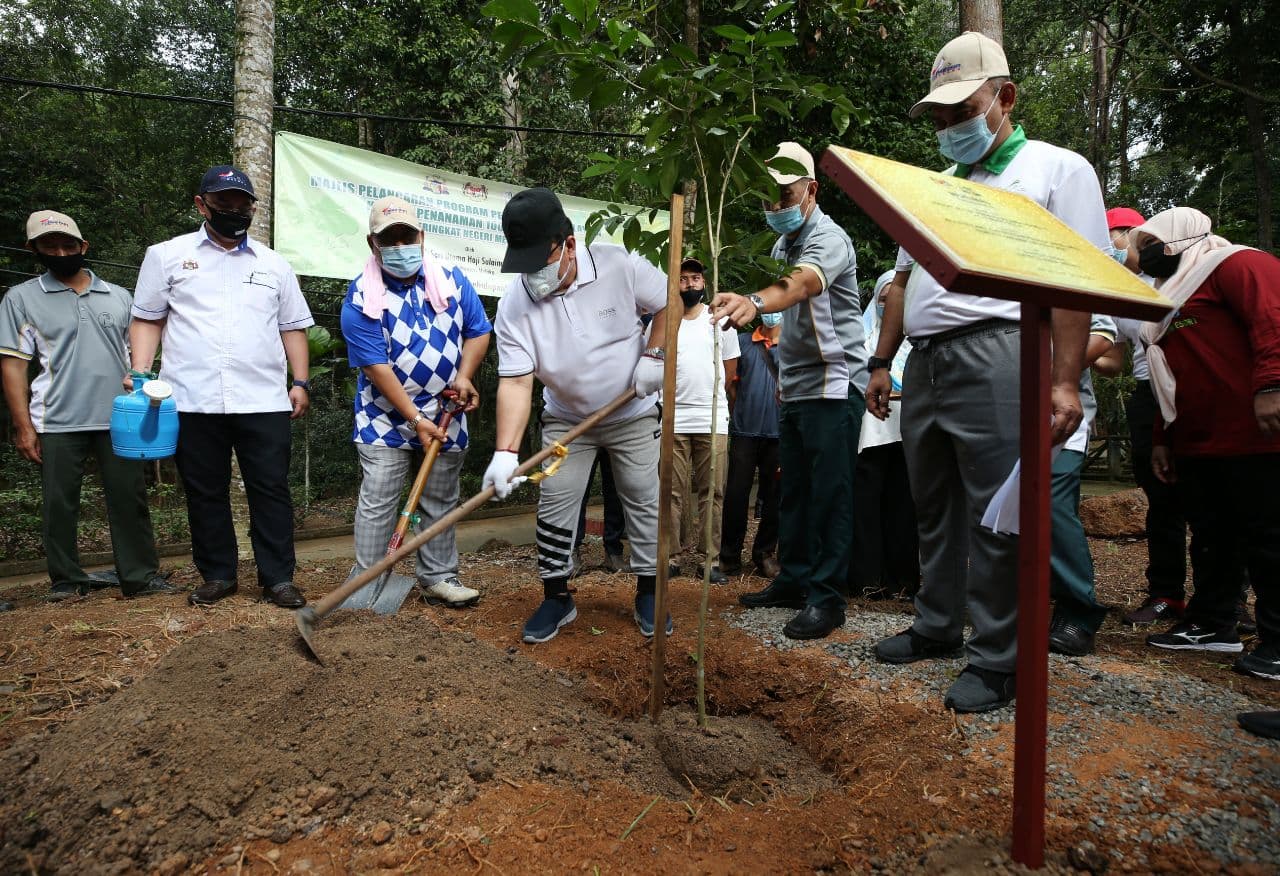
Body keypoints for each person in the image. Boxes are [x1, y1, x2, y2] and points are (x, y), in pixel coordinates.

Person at [865, 32, 1099, 712]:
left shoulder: (1057, 170)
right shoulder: (932, 188)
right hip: (926, 360)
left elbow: (1079, 283)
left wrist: (1062, 380)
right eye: (938, 119)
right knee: (932, 503)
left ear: (1005, 97)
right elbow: (901, 283)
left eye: (960, 112)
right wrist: (883, 361)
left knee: (1001, 514)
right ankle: (937, 623)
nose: (948, 128)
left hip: (1003, 350)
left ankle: (999, 657)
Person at [481, 187, 670, 642]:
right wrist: (505, 452)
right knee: (556, 501)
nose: (533, 275)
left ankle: (650, 590)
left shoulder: (618, 263)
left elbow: (669, 304)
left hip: (633, 407)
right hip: (567, 418)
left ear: (569, 244)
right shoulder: (513, 306)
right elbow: (517, 382)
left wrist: (655, 355)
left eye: (539, 261)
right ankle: (556, 597)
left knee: (644, 496)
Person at [128, 165, 313, 608]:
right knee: (204, 490)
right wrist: (140, 372)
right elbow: (147, 318)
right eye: (223, 203)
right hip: (190, 398)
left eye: (241, 204)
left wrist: (300, 381)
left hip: (264, 398)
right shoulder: (165, 256)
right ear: (201, 205)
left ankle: (277, 579)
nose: (233, 211)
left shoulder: (274, 264)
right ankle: (218, 575)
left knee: (270, 488)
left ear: (252, 207)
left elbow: (293, 327)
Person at [712, 141, 867, 641]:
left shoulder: (830, 239)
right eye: (766, 198)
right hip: (796, 388)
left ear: (811, 190)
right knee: (790, 494)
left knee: (831, 495)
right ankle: (793, 579)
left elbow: (800, 287)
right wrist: (781, 380)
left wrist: (753, 300)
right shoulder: (784, 244)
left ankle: (828, 599)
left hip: (835, 385)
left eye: (783, 195)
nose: (774, 207)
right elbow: (789, 322)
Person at [1126, 207, 1279, 683]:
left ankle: (1277, 644)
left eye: (1150, 243)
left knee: (1271, 540)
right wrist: (1162, 439)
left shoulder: (1238, 264)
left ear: (1183, 237)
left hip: (1256, 434)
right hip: (1198, 439)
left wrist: (1273, 386)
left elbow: (1272, 319)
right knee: (1213, 538)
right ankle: (1213, 625)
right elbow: (1166, 379)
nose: (1145, 254)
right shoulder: (1169, 297)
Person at [0, 211, 173, 601]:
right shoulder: (20, 299)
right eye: (49, 246)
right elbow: (13, 364)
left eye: (68, 244)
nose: (60, 252)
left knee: (130, 499)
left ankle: (139, 578)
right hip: (56, 419)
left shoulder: (119, 296)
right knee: (59, 503)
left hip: (121, 418)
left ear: (84, 247)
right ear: (35, 250)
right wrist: (22, 424)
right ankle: (66, 580)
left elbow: (140, 355)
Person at [1096, 208, 1254, 631]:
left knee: (1223, 497)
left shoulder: (1197, 272)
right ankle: (1167, 593)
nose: (1116, 246)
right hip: (1152, 398)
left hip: (1205, 392)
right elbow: (1113, 360)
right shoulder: (1116, 293)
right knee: (1162, 499)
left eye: (1118, 235)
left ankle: (1229, 601)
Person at [339, 196, 492, 607]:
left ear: (421, 237)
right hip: (384, 416)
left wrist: (464, 376)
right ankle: (367, 582)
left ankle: (440, 577)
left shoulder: (452, 280)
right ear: (374, 244)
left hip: (445, 410)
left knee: (440, 497)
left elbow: (478, 331)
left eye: (407, 235)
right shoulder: (360, 297)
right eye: (391, 239)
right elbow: (375, 366)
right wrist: (413, 418)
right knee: (380, 497)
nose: (400, 245)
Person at [663, 257, 739, 583]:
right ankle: (672, 557)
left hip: (712, 419)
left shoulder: (718, 319)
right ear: (674, 284)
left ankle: (711, 561)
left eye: (696, 278)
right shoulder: (666, 321)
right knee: (672, 492)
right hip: (675, 419)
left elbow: (731, 372)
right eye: (684, 279)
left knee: (713, 492)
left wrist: (724, 411)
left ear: (704, 283)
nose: (691, 284)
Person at [1045, 315, 1117, 656]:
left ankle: (1077, 611)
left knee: (1051, 506)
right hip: (995, 408)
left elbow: (1102, 334)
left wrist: (1046, 365)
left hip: (1056, 415)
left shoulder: (1070, 263)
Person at [850, 269, 918, 598]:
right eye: (882, 297)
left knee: (903, 508)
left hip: (908, 434)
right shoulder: (863, 338)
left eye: (893, 298)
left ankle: (902, 580)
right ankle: (866, 576)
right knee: (866, 507)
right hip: (869, 436)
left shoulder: (918, 343)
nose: (886, 303)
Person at [720, 307, 782, 579]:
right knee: (735, 494)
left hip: (780, 434)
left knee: (775, 498)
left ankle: (764, 554)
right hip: (745, 431)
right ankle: (728, 556)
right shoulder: (743, 342)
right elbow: (731, 384)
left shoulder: (794, 343)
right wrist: (739, 412)